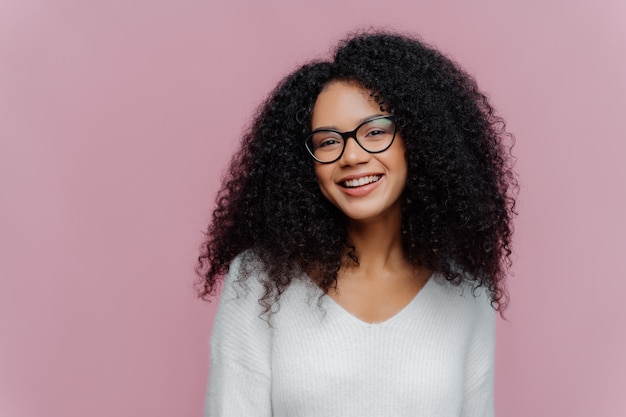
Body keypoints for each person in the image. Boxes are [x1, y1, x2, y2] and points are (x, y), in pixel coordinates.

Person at [197, 30, 517, 417]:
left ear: (419, 138)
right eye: (328, 141)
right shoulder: (257, 282)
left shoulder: (468, 292)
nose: (351, 156)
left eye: (375, 132)